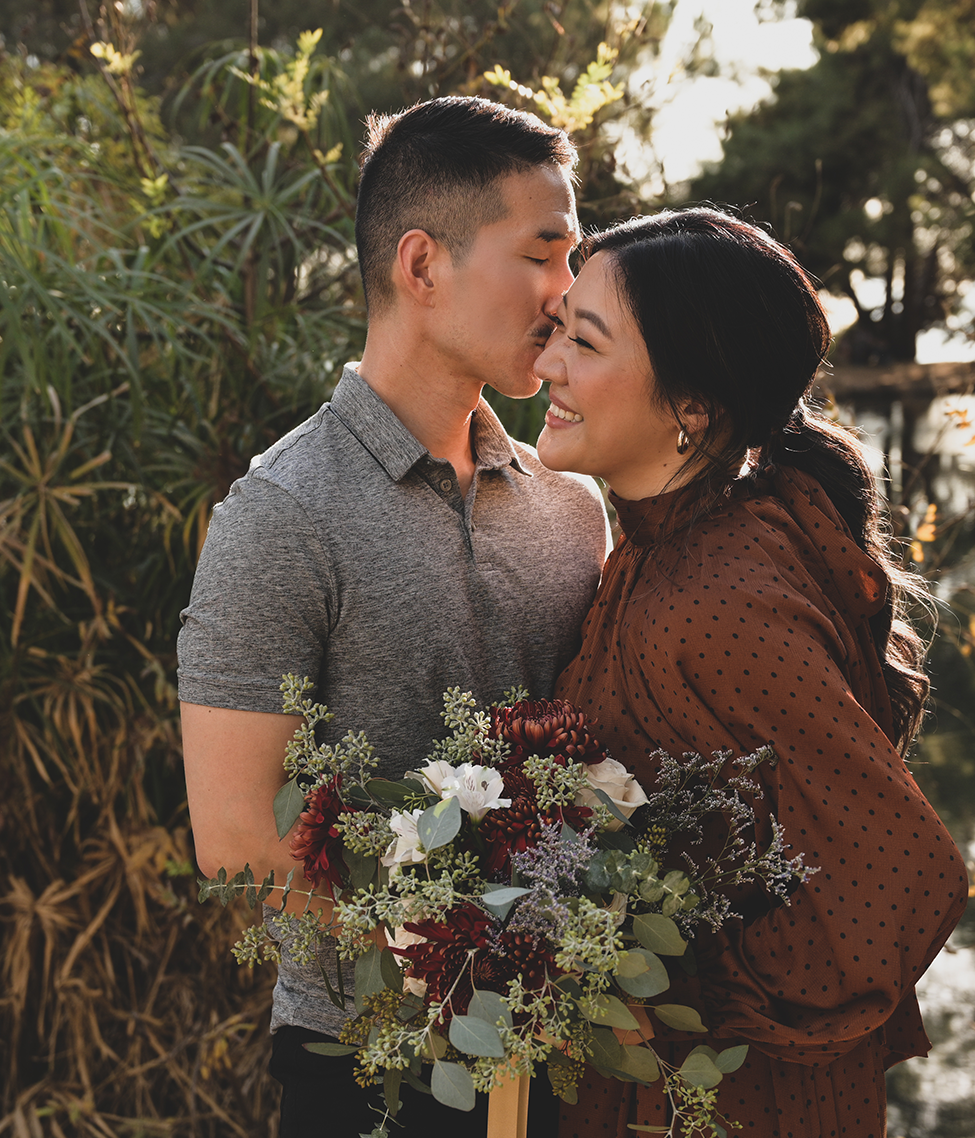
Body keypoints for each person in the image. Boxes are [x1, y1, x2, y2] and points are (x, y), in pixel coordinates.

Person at [177, 97, 610, 1138]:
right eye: (542, 254)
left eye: (576, 258)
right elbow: (235, 838)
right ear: (423, 266)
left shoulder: (574, 504)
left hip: (573, 1055)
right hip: (363, 1073)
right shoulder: (281, 513)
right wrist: (468, 963)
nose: (568, 294)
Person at [535, 207, 968, 1138]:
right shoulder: (665, 545)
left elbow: (905, 874)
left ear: (691, 409)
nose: (545, 363)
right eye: (558, 325)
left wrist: (672, 980)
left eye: (584, 339)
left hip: (731, 1098)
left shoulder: (716, 597)